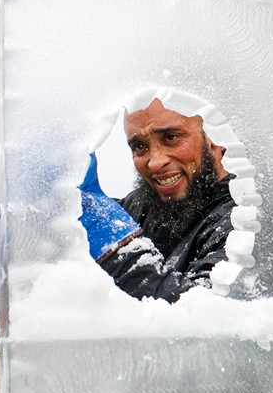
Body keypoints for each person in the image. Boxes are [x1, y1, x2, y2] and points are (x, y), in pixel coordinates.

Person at [78, 98, 236, 302]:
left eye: (171, 137)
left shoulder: (246, 221)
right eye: (140, 146)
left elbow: (208, 311)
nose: (155, 162)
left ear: (215, 138)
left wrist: (119, 249)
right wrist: (67, 203)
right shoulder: (140, 206)